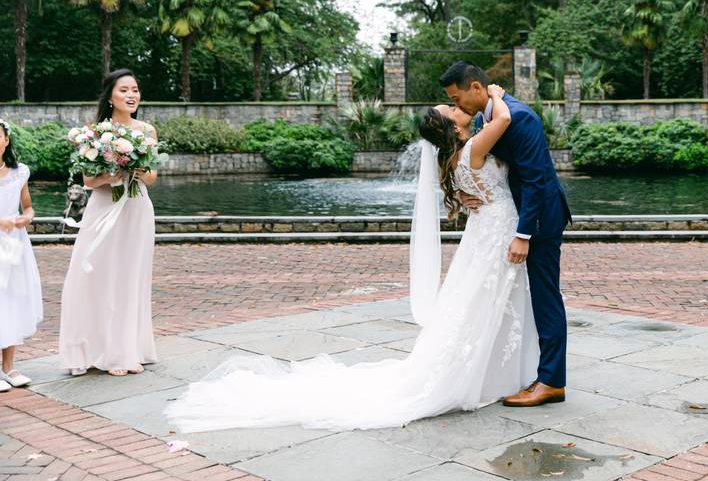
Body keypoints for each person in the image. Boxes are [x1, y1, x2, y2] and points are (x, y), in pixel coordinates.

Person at [165, 84, 539, 432]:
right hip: (495, 232)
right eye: (452, 109)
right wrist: (496, 93)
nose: (459, 108)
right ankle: (488, 373)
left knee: (480, 302)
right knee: (485, 301)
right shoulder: (473, 148)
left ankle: (492, 370)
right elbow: (503, 119)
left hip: (486, 232)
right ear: (452, 128)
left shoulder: (458, 157)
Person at [440, 61, 572, 407]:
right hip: (512, 217)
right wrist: (470, 193)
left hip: (539, 219)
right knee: (525, 299)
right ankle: (527, 370)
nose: (458, 106)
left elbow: (537, 180)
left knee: (546, 298)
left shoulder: (519, 116)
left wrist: (523, 234)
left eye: (457, 98)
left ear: (476, 87)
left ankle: (552, 382)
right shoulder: (489, 116)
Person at [58, 69, 159, 377]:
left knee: (131, 277)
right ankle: (104, 350)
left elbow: (153, 177)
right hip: (104, 210)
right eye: (125, 90)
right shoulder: (96, 132)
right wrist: (112, 174)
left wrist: (138, 170)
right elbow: (89, 179)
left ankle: (130, 348)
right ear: (111, 96)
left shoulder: (147, 130)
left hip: (136, 208)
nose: (132, 95)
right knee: (101, 276)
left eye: (136, 90)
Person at [0, 119, 41, 391]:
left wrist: (25, 219)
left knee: (11, 298)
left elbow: (27, 207)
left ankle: (9, 367)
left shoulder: (19, 172)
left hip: (13, 243)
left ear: (6, 140)